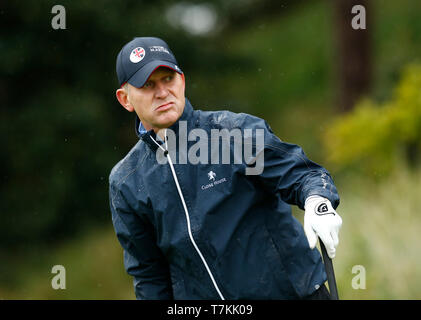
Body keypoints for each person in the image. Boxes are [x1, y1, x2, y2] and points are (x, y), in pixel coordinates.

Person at [109, 37, 342, 300]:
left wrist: (317, 201)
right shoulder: (126, 182)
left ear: (182, 81)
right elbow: (149, 275)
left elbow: (300, 175)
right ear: (125, 99)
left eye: (168, 79)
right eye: (147, 85)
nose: (162, 92)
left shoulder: (232, 133)